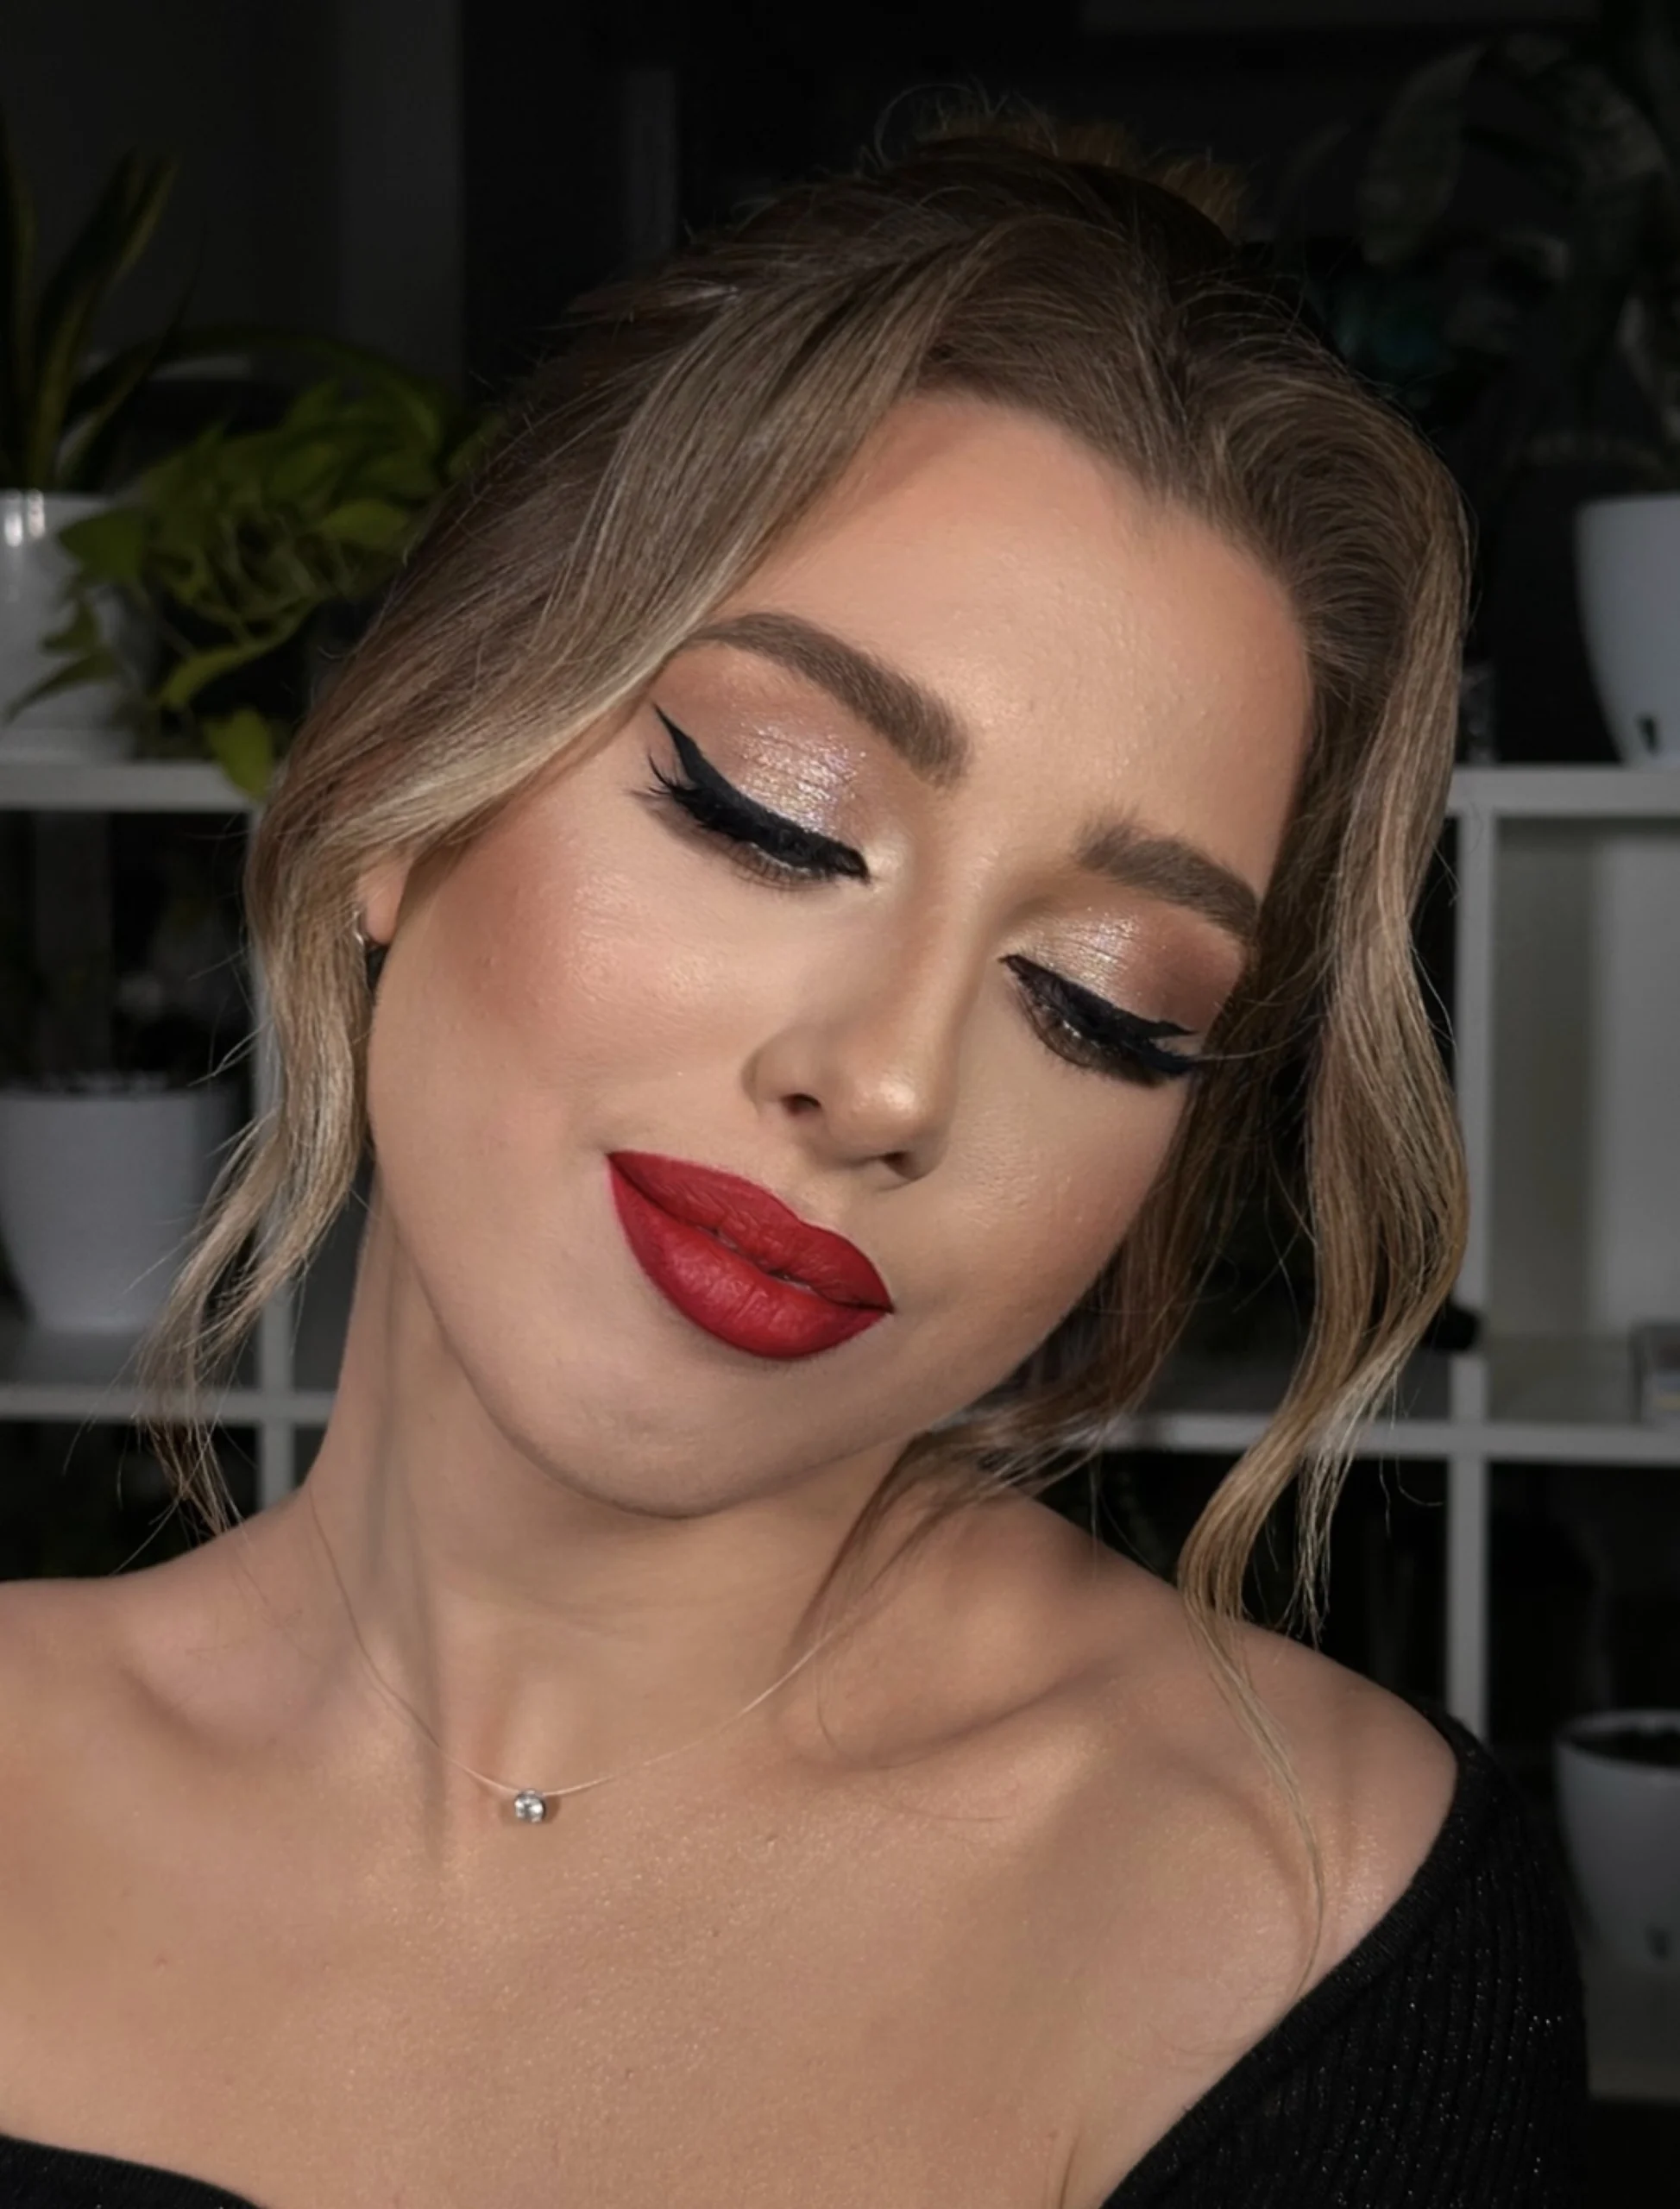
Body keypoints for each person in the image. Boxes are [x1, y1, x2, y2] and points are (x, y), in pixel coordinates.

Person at [0, 109, 1587, 2207]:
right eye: (769, 813)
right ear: (406, 780)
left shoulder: (1300, 1917)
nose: (892, 1078)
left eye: (1099, 1004)